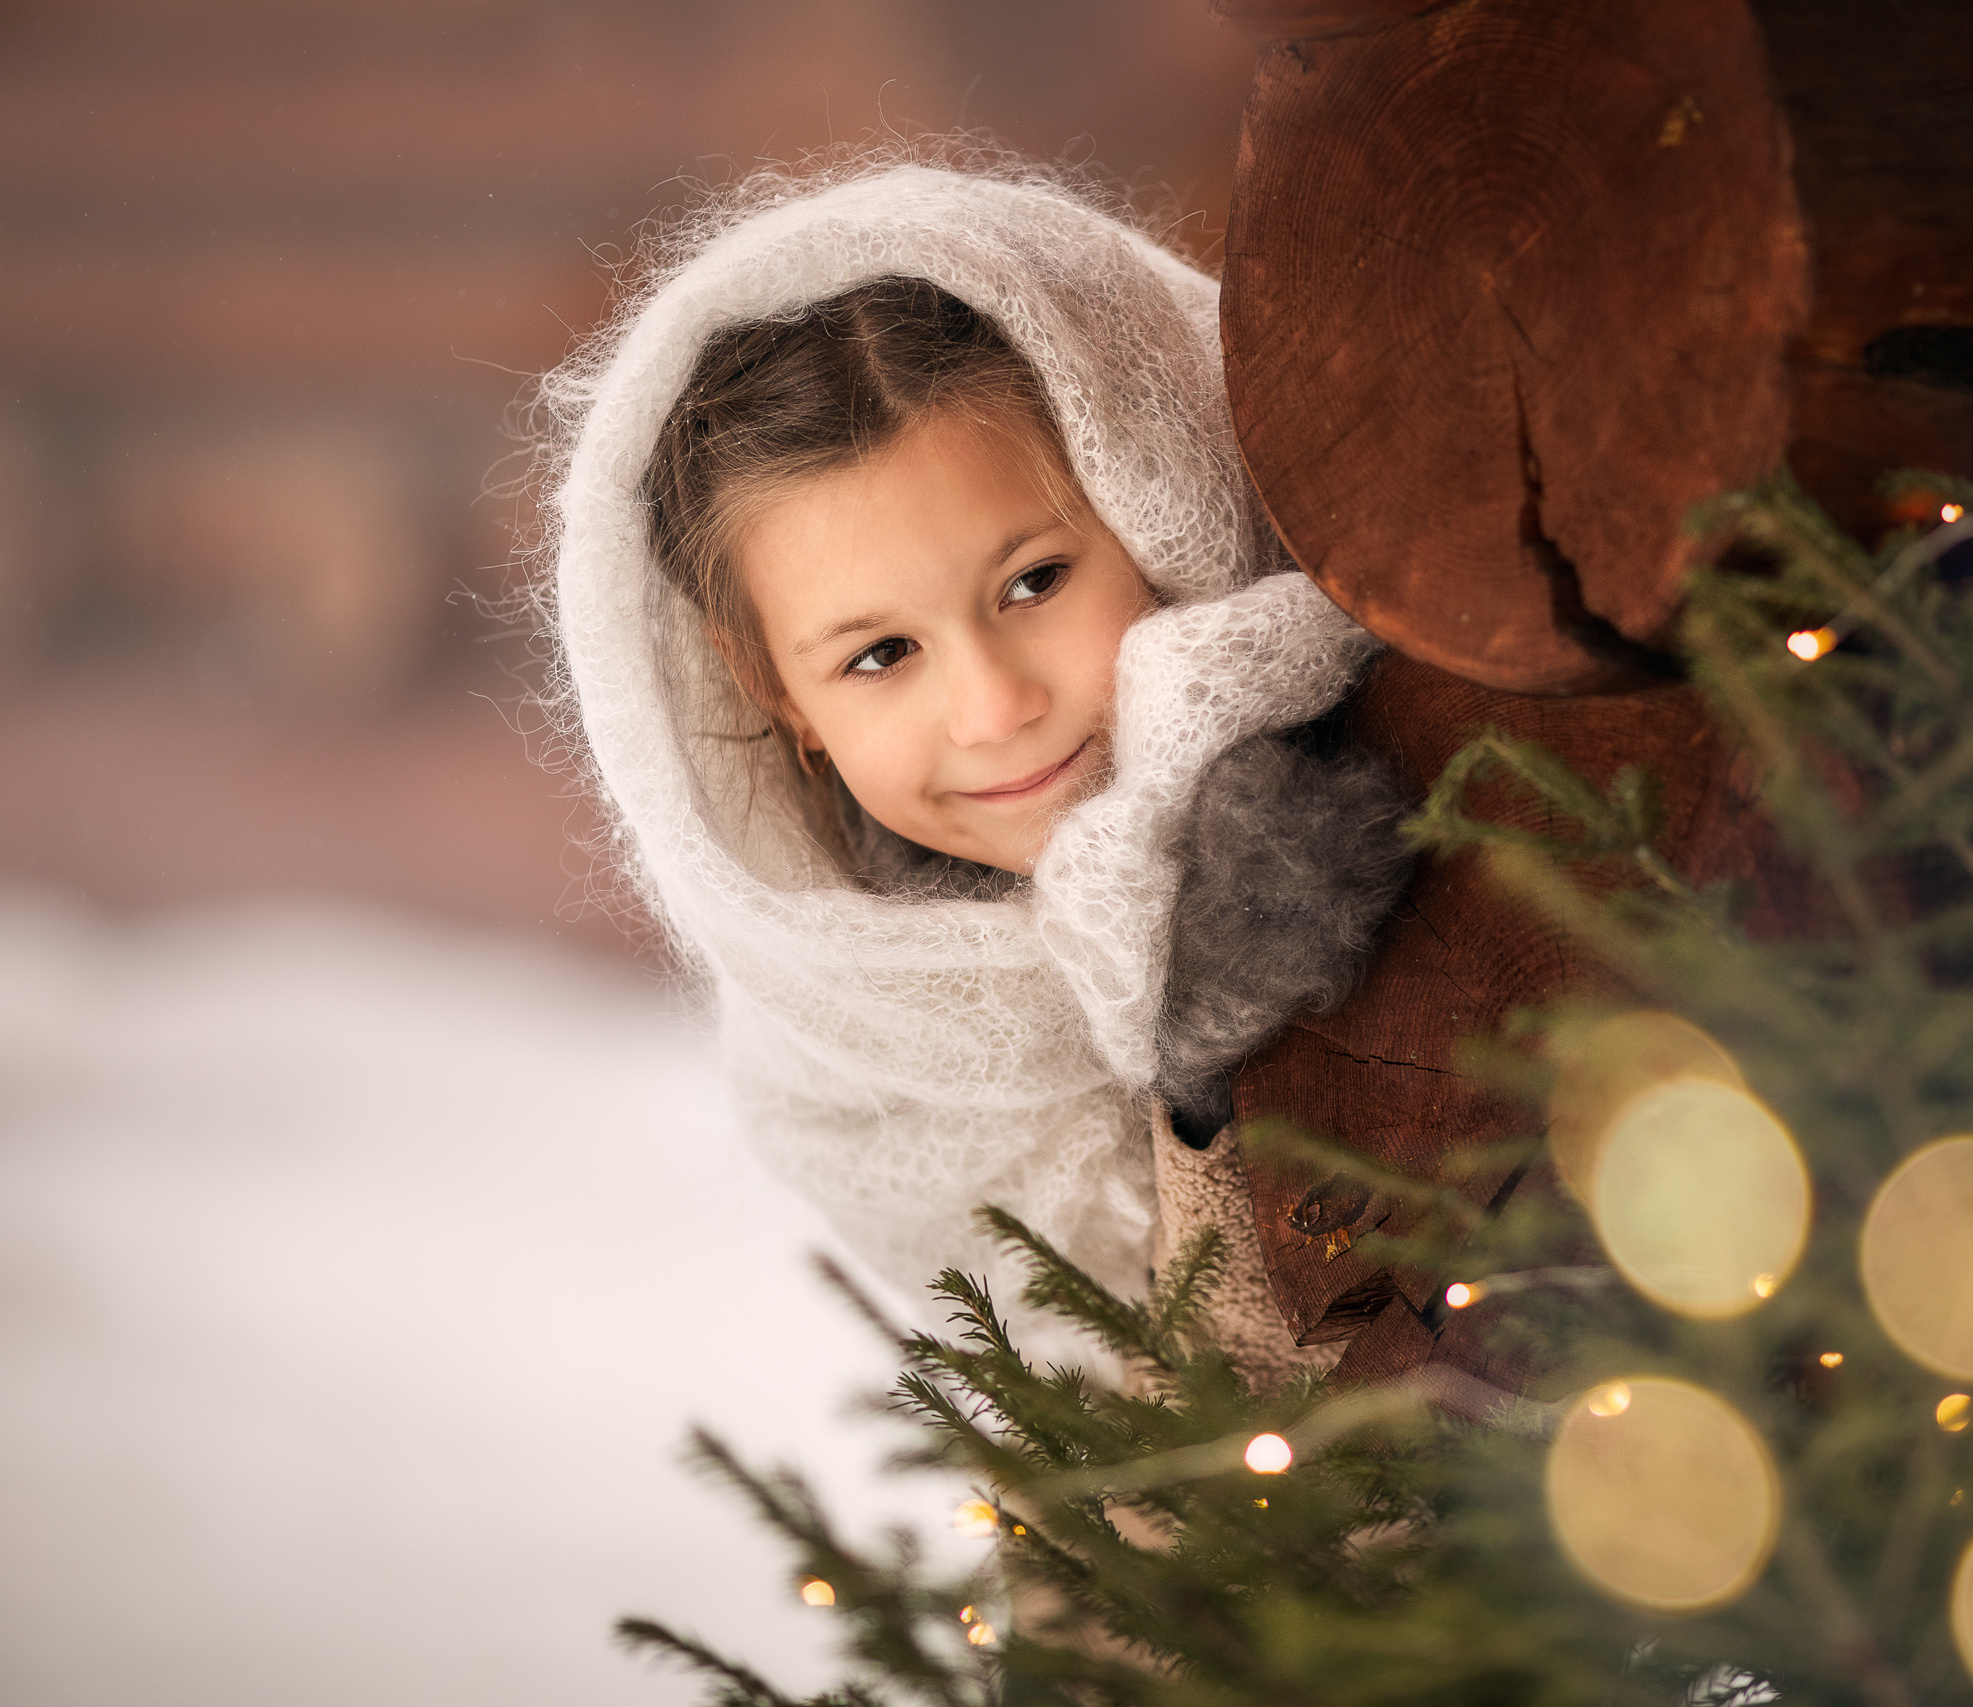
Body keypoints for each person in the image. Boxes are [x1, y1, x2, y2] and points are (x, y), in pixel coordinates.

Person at [541, 157, 1409, 1378]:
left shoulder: (1411, 725)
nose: (996, 709)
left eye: (1035, 583)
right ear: (777, 695)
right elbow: (1144, 1428)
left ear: (1160, 497)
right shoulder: (844, 1050)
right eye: (882, 654)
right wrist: (1200, 1082)